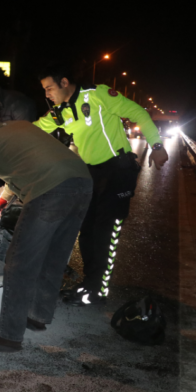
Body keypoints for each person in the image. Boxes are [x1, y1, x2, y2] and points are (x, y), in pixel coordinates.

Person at [35, 64, 168, 306]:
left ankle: (98, 291)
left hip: (118, 170)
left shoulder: (97, 95)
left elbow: (138, 112)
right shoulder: (60, 111)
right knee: (86, 230)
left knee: (106, 231)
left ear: (64, 82)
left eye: (49, 88)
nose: (47, 94)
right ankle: (89, 282)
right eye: (44, 90)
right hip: (92, 174)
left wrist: (157, 146)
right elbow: (37, 129)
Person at [0, 118, 92, 352]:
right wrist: (3, 199)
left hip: (49, 189)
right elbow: (24, 166)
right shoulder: (21, 127)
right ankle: (38, 316)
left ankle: (8, 336)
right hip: (82, 182)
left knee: (19, 264)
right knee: (54, 258)